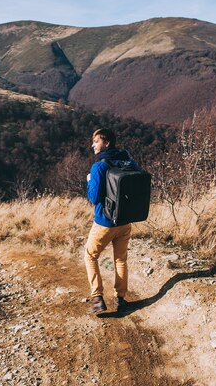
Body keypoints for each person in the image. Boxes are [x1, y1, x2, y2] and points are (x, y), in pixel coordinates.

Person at [84, 128, 139, 314]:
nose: (93, 145)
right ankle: (120, 299)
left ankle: (97, 297)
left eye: (96, 141)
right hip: (125, 221)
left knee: (90, 255)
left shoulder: (99, 166)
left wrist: (90, 180)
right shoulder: (128, 161)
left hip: (104, 222)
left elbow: (94, 197)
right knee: (120, 259)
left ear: (107, 143)